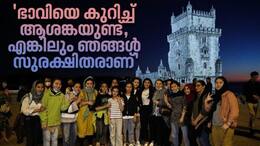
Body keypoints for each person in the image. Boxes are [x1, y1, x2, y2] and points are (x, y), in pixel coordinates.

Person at [40, 78, 70, 146]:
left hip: (56, 122)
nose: (58, 85)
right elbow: (42, 109)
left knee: (55, 140)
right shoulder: (47, 94)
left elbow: (62, 108)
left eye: (60, 84)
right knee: (47, 141)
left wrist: (69, 101)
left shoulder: (62, 95)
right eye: (56, 83)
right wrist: (44, 122)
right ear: (52, 84)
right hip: (47, 122)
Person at [211, 76, 239, 146]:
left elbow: (235, 110)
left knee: (226, 144)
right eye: (216, 83)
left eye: (220, 82)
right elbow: (211, 111)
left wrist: (228, 123)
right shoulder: (215, 96)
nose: (218, 84)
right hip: (215, 125)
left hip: (225, 125)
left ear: (224, 84)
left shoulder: (229, 94)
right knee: (216, 144)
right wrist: (206, 102)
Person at [164, 80, 190, 146]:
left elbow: (185, 106)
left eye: (175, 86)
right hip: (173, 116)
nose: (173, 88)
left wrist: (182, 117)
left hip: (182, 116)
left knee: (185, 136)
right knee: (174, 135)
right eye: (172, 87)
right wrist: (166, 101)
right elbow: (171, 106)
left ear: (178, 87)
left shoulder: (182, 94)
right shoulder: (171, 96)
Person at [21, 80, 45, 146]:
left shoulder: (44, 97)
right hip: (29, 120)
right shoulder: (28, 97)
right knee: (30, 139)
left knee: (37, 139)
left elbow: (45, 109)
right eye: (38, 87)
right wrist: (36, 110)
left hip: (39, 120)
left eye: (42, 87)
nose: (40, 89)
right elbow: (24, 110)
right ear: (34, 87)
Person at [191, 80, 212, 146]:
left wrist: (196, 122)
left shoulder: (206, 97)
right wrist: (192, 119)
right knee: (199, 140)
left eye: (198, 85)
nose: (196, 87)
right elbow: (193, 109)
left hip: (203, 123)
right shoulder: (196, 96)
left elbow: (205, 113)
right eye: (195, 86)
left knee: (203, 141)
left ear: (203, 86)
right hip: (195, 121)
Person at [77, 76, 97, 146]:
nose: (89, 85)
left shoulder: (95, 92)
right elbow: (79, 104)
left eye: (91, 83)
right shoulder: (82, 92)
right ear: (85, 84)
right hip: (83, 115)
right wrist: (88, 102)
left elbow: (97, 102)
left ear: (93, 84)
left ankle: (90, 144)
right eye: (87, 83)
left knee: (90, 131)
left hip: (91, 114)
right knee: (82, 131)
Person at [149, 79, 167, 146]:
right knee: (155, 130)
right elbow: (153, 103)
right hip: (155, 114)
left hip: (161, 114)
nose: (158, 85)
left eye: (160, 83)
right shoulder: (155, 91)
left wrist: (158, 102)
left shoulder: (165, 91)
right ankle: (155, 142)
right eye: (157, 83)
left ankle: (160, 143)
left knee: (160, 132)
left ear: (162, 84)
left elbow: (167, 102)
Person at [139, 78, 154, 146]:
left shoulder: (152, 90)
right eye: (145, 82)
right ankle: (145, 140)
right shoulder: (140, 90)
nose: (146, 84)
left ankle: (151, 140)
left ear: (150, 84)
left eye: (148, 82)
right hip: (143, 109)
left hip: (150, 109)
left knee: (150, 126)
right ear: (143, 83)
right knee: (143, 125)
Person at [132, 77, 142, 146]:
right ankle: (132, 141)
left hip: (138, 111)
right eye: (135, 82)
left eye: (138, 82)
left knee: (138, 126)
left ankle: (137, 140)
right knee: (131, 127)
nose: (136, 83)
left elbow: (140, 102)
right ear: (132, 82)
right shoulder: (128, 90)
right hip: (129, 112)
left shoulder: (140, 91)